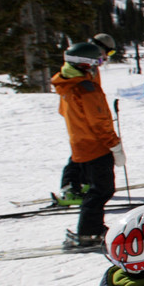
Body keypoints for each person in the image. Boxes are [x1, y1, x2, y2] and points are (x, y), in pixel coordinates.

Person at [52, 42, 124, 248]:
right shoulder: (86, 88)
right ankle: (89, 232)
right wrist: (114, 145)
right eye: (98, 61)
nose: (99, 65)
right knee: (102, 190)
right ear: (86, 63)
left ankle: (92, 229)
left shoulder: (68, 85)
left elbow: (65, 113)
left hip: (80, 143)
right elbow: (99, 121)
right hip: (96, 146)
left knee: (97, 189)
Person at [57, 33, 118, 206]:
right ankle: (70, 187)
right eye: (109, 53)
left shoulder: (87, 61)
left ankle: (81, 184)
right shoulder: (87, 62)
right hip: (81, 116)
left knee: (84, 151)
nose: (106, 58)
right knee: (83, 151)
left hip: (80, 114)